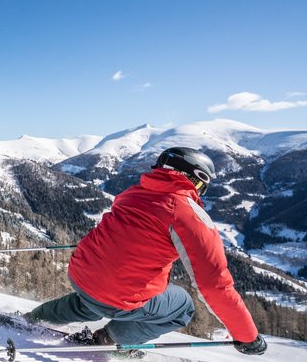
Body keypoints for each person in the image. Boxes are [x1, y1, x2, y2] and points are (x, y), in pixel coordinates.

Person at [24, 147, 267, 356]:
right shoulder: (189, 215)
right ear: (197, 179)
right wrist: (247, 336)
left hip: (81, 275)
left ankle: (33, 319)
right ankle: (108, 341)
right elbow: (215, 286)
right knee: (182, 305)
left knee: (93, 298)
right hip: (118, 294)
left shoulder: (133, 193)